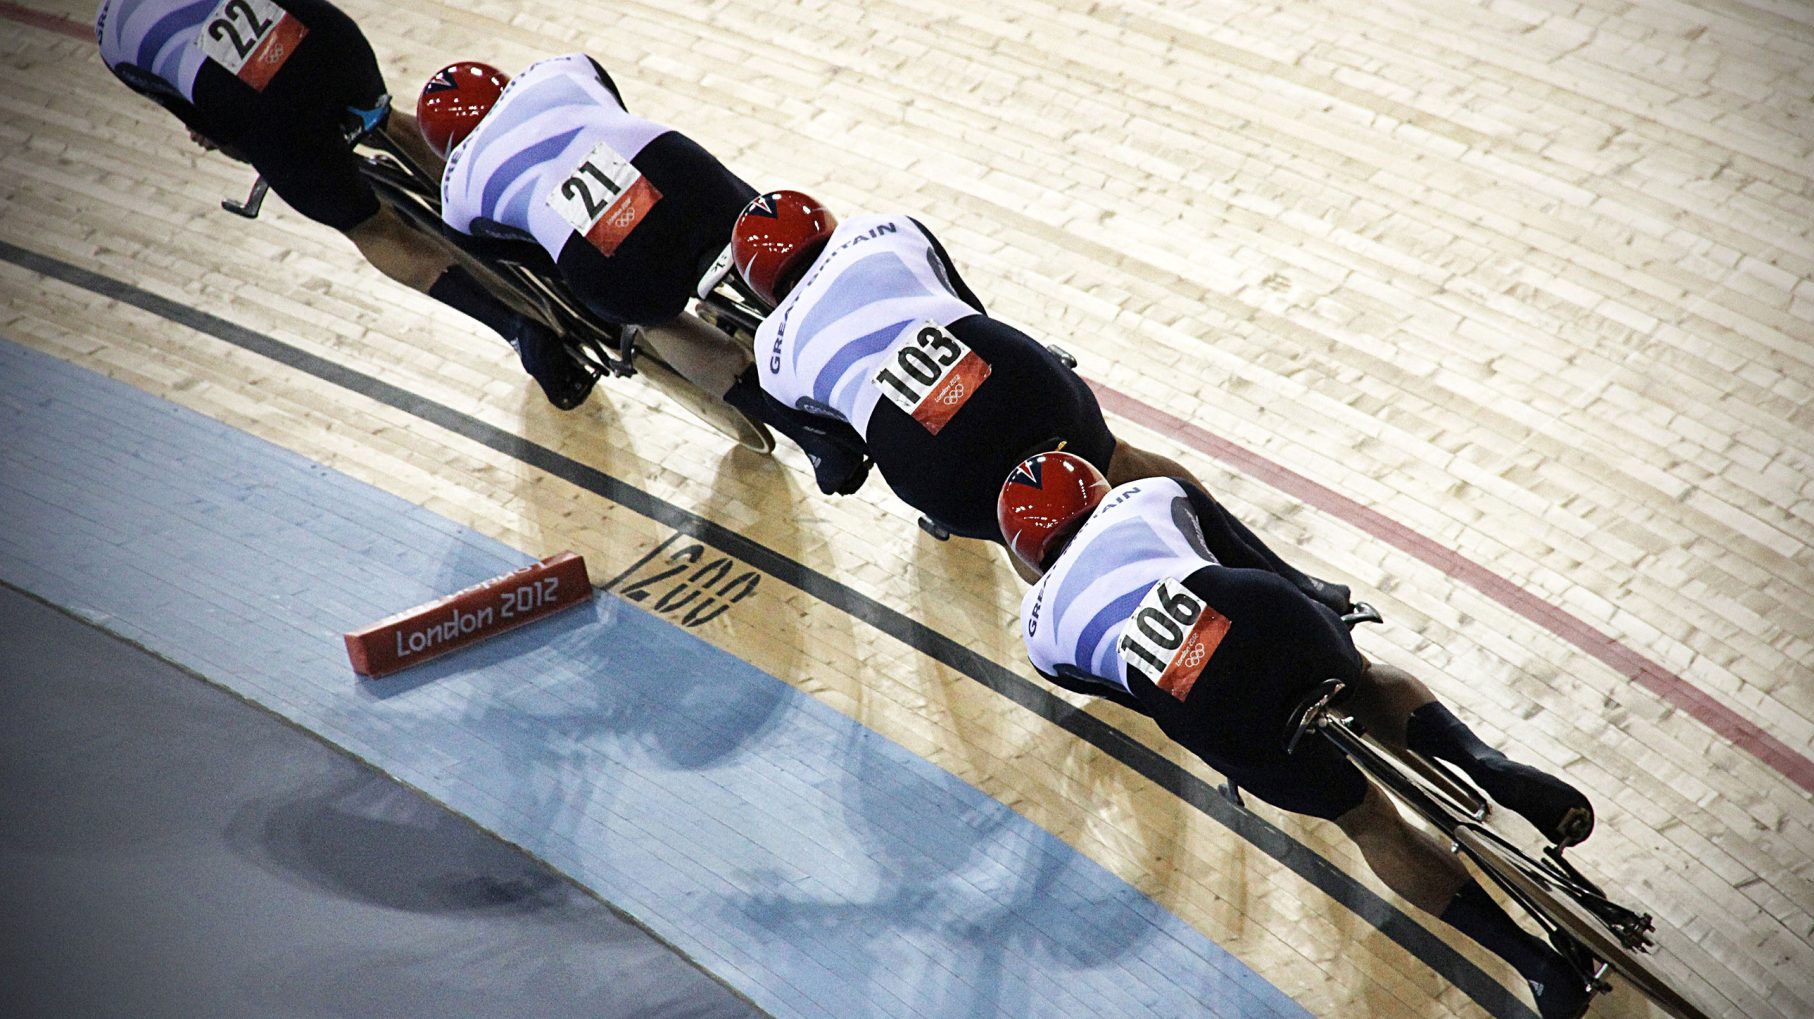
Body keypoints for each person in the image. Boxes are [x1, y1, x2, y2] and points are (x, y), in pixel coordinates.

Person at [998, 450, 1597, 1019]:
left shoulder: (1038, 635)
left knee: (1365, 823)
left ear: (1025, 554)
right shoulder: (1146, 493)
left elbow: (1131, 696)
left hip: (1200, 704)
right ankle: (1486, 766)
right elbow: (1254, 558)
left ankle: (1538, 966)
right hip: (1258, 610)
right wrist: (1322, 603)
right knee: (1360, 679)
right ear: (1095, 488)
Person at [95, 0, 583, 407]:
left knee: (369, 226)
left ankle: (519, 330)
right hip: (325, 44)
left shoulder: (112, 37)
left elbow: (210, 127)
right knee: (387, 121)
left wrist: (251, 148)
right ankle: (554, 246)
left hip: (261, 112)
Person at [721, 189, 1204, 547]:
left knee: (1030, 538)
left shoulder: (771, 352)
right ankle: (1220, 535)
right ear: (823, 222)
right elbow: (966, 304)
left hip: (936, 469)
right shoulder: (882, 228)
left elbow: (843, 443)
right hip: (1015, 381)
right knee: (1116, 459)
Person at [425, 53, 836, 447]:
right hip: (679, 175)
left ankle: (812, 439)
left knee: (656, 322)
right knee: (764, 230)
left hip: (607, 261)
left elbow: (535, 259)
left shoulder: (455, 197)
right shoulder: (561, 66)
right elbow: (616, 110)